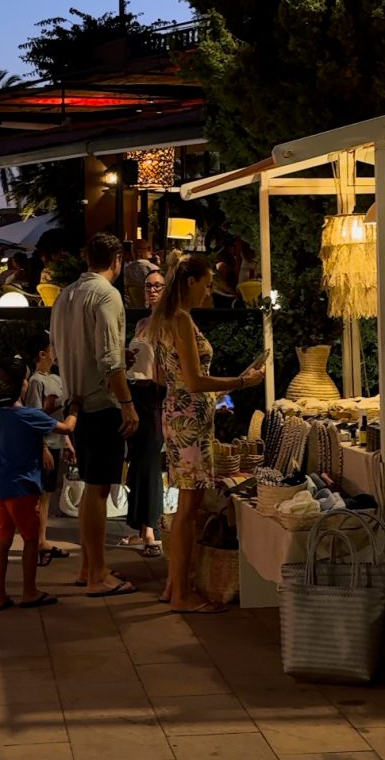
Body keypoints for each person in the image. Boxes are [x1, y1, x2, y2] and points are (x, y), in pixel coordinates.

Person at [146, 254, 264, 613]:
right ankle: (181, 594)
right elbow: (195, 380)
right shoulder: (180, 320)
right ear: (191, 281)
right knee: (188, 508)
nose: (208, 290)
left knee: (186, 505)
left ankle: (173, 585)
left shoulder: (163, 319)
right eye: (207, 283)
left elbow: (161, 378)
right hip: (190, 421)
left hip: (177, 413)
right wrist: (243, 382)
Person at [51, 232, 139, 597]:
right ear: (116, 260)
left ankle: (89, 565)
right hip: (101, 404)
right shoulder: (107, 294)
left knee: (91, 486)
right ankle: (97, 573)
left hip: (76, 401)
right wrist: (127, 404)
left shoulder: (66, 295)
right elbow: (108, 359)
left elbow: (67, 350)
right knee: (99, 488)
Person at [0, 360, 78, 612]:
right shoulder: (29, 415)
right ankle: (29, 591)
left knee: (2, 541)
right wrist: (75, 408)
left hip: (1, 488)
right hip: (24, 489)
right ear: (21, 387)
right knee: (30, 540)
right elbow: (66, 428)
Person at [120, 269, 167, 557]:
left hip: (155, 395)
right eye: (148, 286)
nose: (152, 290)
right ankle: (140, 527)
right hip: (135, 392)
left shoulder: (170, 324)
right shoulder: (141, 322)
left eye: (158, 286)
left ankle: (151, 528)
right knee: (138, 461)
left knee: (150, 460)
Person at [23, 330, 75, 567]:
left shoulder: (55, 378)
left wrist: (67, 442)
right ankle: (38, 541)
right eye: (52, 349)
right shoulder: (36, 381)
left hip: (56, 442)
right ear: (41, 354)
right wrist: (43, 447)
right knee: (40, 496)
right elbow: (35, 416)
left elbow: (60, 413)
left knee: (48, 495)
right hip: (43, 446)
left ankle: (42, 539)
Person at [123, 241, 160, 308]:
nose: (151, 251)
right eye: (148, 248)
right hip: (150, 311)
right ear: (139, 252)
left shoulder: (125, 270)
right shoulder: (154, 270)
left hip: (130, 311)